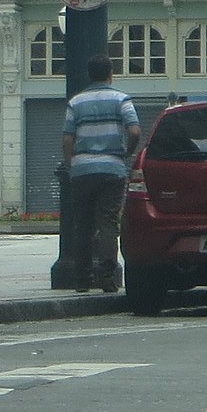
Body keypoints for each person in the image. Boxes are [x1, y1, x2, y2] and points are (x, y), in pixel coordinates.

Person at [57, 59, 141, 293]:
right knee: (108, 224)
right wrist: (127, 152)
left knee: (82, 225)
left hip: (82, 170)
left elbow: (66, 137)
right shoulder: (121, 99)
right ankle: (107, 277)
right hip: (112, 170)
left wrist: (70, 164)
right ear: (110, 73)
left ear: (89, 74)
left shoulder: (76, 102)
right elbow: (134, 130)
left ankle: (82, 279)